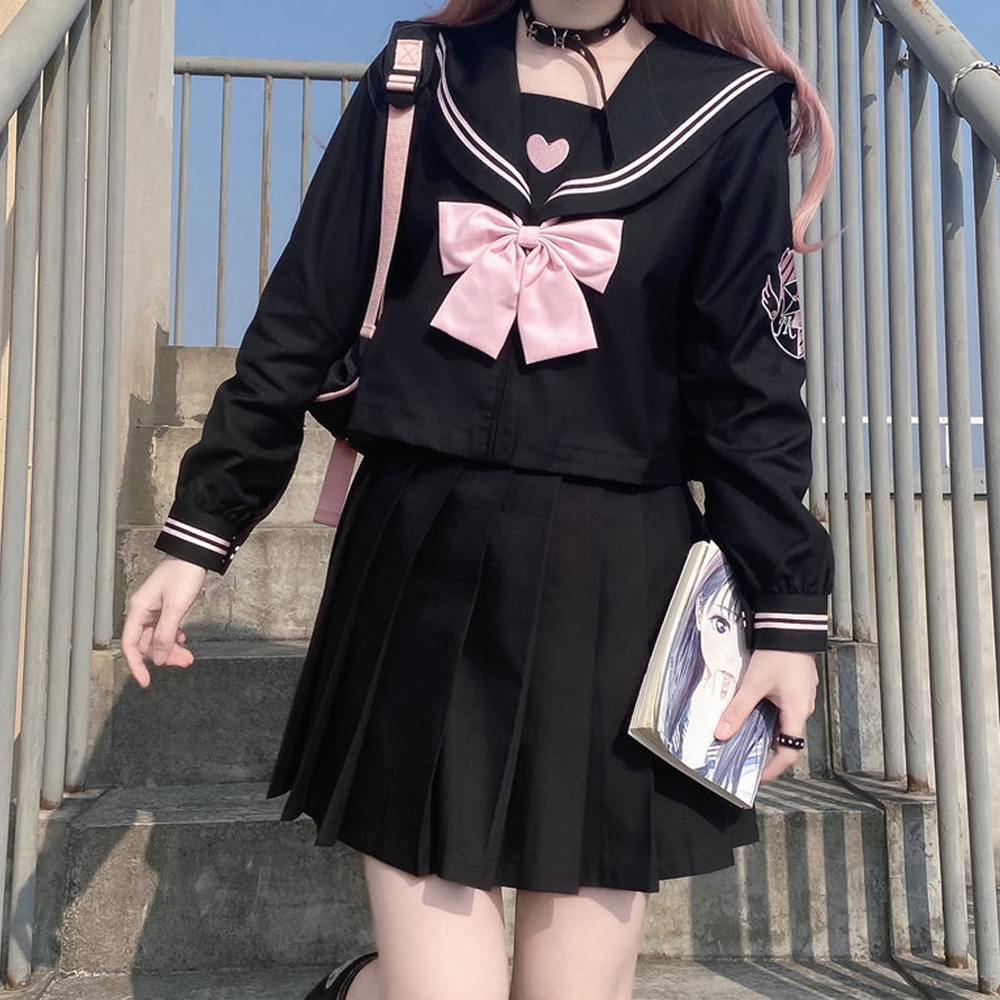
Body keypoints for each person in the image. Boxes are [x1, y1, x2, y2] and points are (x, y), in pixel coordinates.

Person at [122, 0, 835, 996]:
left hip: (618, 574)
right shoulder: (422, 72)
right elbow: (304, 313)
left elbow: (750, 387)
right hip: (421, 550)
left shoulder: (729, 107)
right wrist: (199, 532)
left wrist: (787, 613)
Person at [657, 551, 773, 801]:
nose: (731, 655)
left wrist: (696, 748)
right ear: (700, 611)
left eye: (748, 638)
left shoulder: (754, 734)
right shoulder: (668, 687)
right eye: (720, 625)